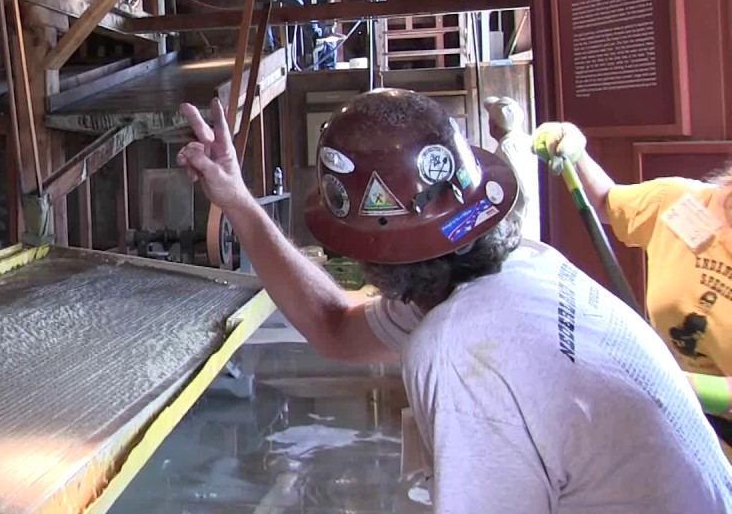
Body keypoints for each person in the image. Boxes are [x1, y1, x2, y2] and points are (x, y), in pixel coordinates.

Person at [176, 89, 732, 512]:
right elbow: (337, 325)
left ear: (361, 251)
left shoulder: (459, 352)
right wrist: (236, 198)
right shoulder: (524, 266)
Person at [533, 120, 732, 458]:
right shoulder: (679, 203)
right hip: (677, 435)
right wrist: (575, 151)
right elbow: (606, 202)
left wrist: (671, 383)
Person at [483, 95, 541, 242]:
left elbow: (522, 192)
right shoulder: (528, 141)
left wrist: (514, 225)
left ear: (493, 125)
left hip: (520, 228)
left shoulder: (506, 148)